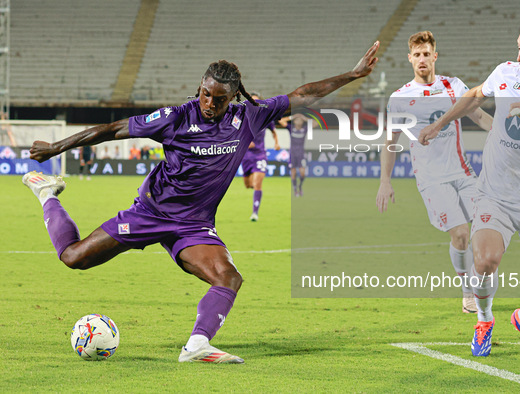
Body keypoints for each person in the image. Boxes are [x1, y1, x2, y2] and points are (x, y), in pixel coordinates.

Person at [22, 42, 380, 364]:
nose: (210, 104)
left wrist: (352, 74)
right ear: (200, 88)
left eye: (219, 99)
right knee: (74, 258)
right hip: (150, 213)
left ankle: (196, 345)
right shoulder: (176, 117)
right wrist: (57, 147)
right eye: (206, 94)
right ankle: (48, 195)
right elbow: (114, 129)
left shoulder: (249, 116)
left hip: (194, 225)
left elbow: (302, 94)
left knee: (229, 277)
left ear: (235, 96)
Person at [419, 22, 520, 357]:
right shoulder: (506, 73)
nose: (519, 55)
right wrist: (440, 122)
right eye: (519, 47)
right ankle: (483, 320)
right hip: (494, 195)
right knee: (486, 260)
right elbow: (474, 95)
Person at [376, 31, 493, 314]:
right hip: (431, 179)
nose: (422, 59)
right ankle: (467, 290)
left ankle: (483, 291)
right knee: (461, 236)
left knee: (485, 233)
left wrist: (507, 135)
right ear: (409, 59)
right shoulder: (400, 97)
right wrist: (385, 182)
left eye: (426, 53)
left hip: (464, 173)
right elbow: (390, 143)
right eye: (416, 55)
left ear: (435, 56)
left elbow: (478, 116)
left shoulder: (453, 86)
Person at [239, 92, 280, 221]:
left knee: (257, 184)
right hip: (245, 156)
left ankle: (254, 213)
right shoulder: (243, 118)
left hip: (259, 155)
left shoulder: (265, 118)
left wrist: (277, 142)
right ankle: (256, 190)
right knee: (247, 184)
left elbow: (274, 130)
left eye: (256, 102)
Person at [279, 113, 309, 197]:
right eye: (297, 119)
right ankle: (295, 189)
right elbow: (281, 121)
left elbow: (315, 123)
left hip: (301, 153)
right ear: (294, 121)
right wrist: (292, 117)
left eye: (300, 119)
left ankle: (300, 186)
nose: (298, 120)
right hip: (292, 153)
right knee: (293, 172)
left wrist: (304, 117)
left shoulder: (305, 129)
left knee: (302, 173)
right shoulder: (291, 128)